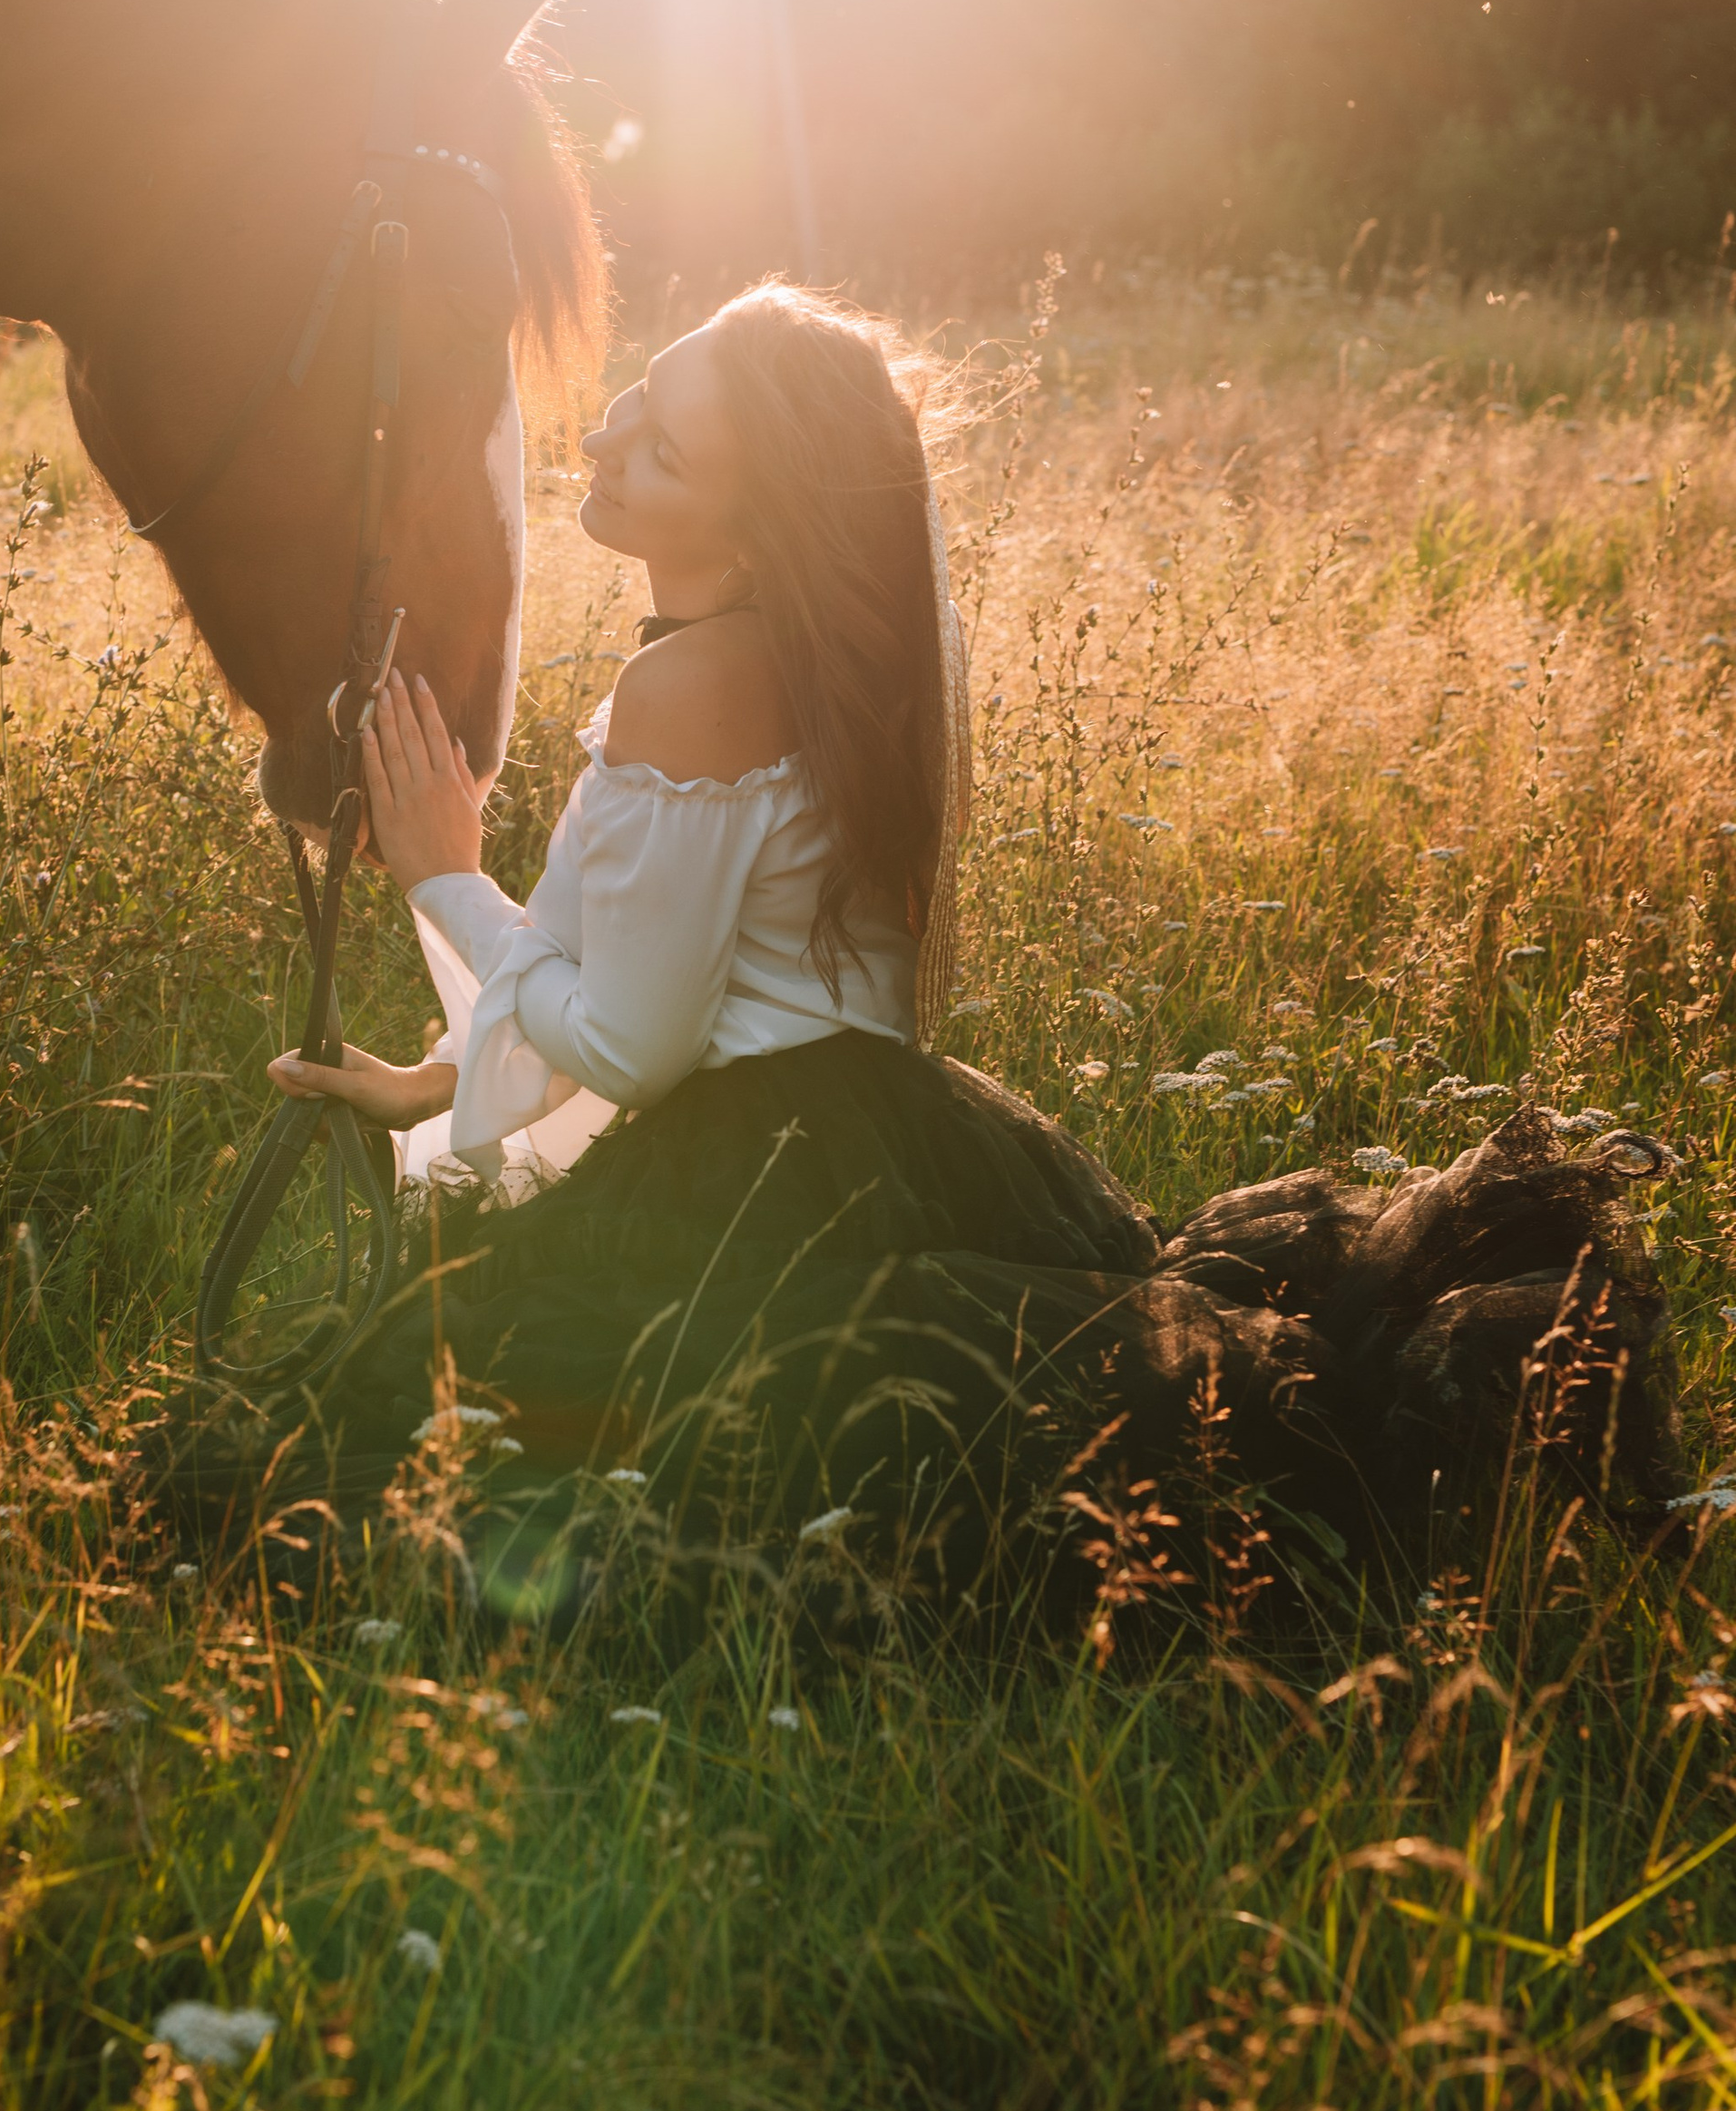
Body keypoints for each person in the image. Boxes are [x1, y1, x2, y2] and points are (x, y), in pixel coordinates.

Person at [154, 285, 1688, 1608]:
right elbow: (702, 975)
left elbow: (637, 1046)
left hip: (764, 1166)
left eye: (667, 450)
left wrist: (441, 872)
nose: (610, 435)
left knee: (314, 1468)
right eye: (645, 388)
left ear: (753, 534)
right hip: (868, 1130)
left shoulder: (701, 690)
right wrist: (440, 1084)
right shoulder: (796, 660)